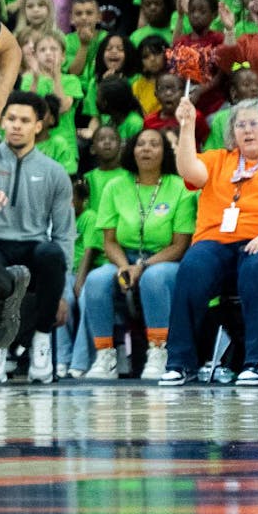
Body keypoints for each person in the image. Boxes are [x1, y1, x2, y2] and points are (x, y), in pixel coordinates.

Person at [163, 96, 258, 386]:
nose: (247, 130)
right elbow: (189, 170)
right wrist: (187, 125)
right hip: (219, 240)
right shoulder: (220, 159)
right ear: (232, 132)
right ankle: (180, 362)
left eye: (254, 123)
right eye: (240, 124)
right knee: (193, 266)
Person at [0, 91, 75, 384]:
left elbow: (64, 233)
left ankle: (41, 341)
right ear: (3, 121)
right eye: (11, 119)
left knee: (52, 254)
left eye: (25, 120)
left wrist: (64, 293)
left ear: (38, 126)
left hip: (32, 245)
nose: (17, 125)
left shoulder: (54, 172)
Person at [81, 128, 194, 381]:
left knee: (154, 278)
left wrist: (141, 267)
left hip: (165, 260)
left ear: (165, 152)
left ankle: (159, 351)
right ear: (131, 150)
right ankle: (105, 355)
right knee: (97, 280)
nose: (146, 149)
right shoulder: (115, 186)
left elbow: (180, 245)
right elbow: (109, 241)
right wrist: (124, 267)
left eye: (154, 144)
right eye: (141, 144)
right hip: (124, 257)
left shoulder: (180, 187)